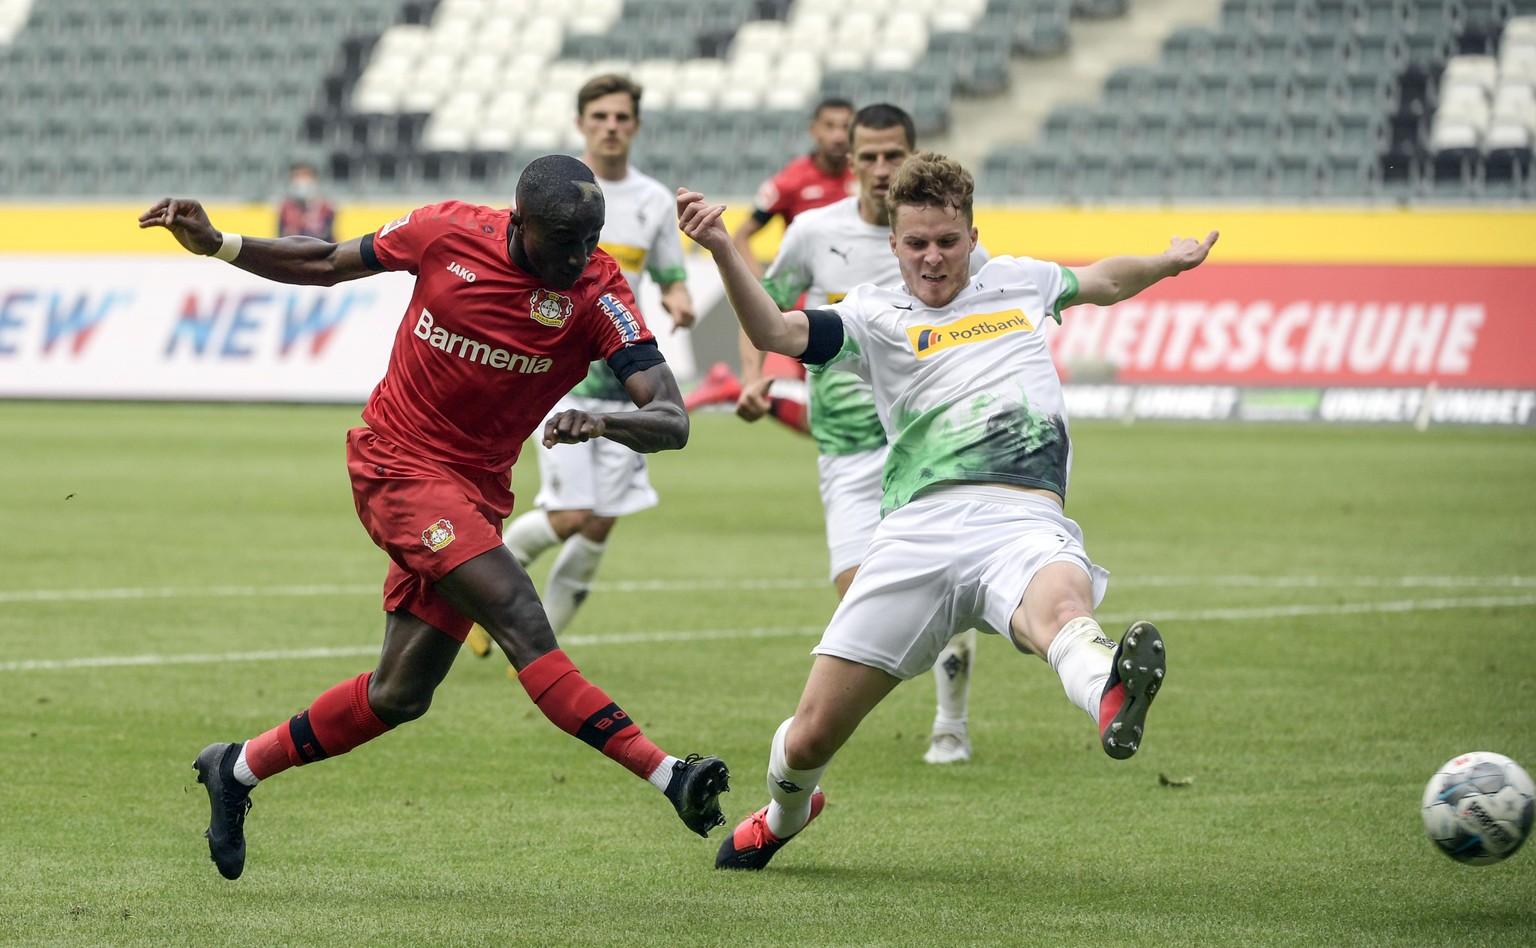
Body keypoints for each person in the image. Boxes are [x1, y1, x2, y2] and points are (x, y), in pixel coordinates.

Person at [138, 154, 730, 882]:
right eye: (564, 240)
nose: (579, 255)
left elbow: (672, 419)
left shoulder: (600, 290)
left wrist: (603, 421)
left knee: (399, 695)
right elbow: (326, 260)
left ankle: (236, 768)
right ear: (519, 224)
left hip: (476, 494)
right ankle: (668, 773)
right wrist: (221, 244)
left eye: (590, 239)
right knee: (518, 614)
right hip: (397, 465)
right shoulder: (445, 233)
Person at [677, 152, 1216, 870]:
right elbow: (777, 334)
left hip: (1019, 516)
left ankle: (1108, 690)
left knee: (1062, 605)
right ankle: (783, 815)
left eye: (948, 241)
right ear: (895, 243)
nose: (933, 257)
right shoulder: (869, 311)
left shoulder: (1017, 280)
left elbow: (1106, 279)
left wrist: (1169, 262)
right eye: (917, 242)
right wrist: (719, 248)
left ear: (971, 234)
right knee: (808, 739)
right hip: (914, 533)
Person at [739, 103, 990, 765]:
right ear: (849, 161)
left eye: (894, 154)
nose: (883, 169)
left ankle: (951, 723)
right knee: (861, 595)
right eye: (870, 156)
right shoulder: (814, 232)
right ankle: (939, 665)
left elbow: (995, 321)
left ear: (913, 154)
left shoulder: (953, 240)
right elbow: (766, 302)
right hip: (847, 448)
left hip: (930, 444)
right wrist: (755, 374)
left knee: (941, 577)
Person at [464, 74, 695, 663]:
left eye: (622, 117)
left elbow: (669, 273)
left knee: (600, 523)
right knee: (568, 514)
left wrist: (677, 297)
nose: (612, 126)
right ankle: (478, 601)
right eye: (601, 116)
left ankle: (544, 656)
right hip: (562, 381)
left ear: (635, 126)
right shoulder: (552, 198)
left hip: (628, 380)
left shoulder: (650, 201)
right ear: (582, 124)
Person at [685, 97, 856, 418]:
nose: (838, 135)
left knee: (840, 414)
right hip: (814, 299)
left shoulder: (864, 177)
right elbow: (743, 234)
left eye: (846, 126)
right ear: (814, 130)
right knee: (840, 413)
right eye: (830, 126)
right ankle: (737, 387)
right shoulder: (792, 181)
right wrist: (761, 282)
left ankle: (730, 387)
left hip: (855, 295)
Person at [275, 161, 335, 241]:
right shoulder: (285, 207)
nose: (302, 180)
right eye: (297, 176)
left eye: (306, 175)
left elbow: (328, 235)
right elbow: (281, 236)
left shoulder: (325, 207)